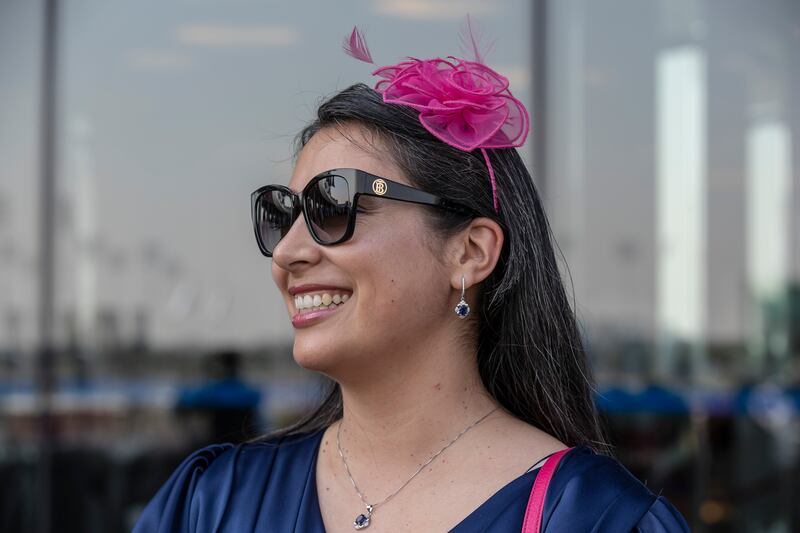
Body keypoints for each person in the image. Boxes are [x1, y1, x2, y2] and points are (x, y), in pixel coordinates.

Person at [133, 22, 690, 533]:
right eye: (283, 214)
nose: (288, 252)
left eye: (334, 205)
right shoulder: (212, 502)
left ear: (470, 252)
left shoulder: (593, 519)